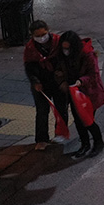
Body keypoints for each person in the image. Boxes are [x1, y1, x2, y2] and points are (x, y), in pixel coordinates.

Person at [55, 30, 104, 159]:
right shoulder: (62, 55)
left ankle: (98, 142)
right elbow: (58, 69)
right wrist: (61, 80)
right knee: (78, 121)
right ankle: (85, 144)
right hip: (73, 93)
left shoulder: (87, 55)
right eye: (63, 48)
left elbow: (93, 75)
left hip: (88, 93)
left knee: (87, 120)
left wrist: (80, 82)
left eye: (68, 48)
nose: (65, 50)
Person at [24, 20, 65, 149]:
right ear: (32, 36)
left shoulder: (58, 42)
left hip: (58, 83)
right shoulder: (30, 48)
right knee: (42, 111)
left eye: (44, 34)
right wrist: (35, 82)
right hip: (41, 84)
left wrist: (62, 75)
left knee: (61, 109)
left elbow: (65, 60)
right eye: (38, 36)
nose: (42, 38)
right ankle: (42, 139)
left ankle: (61, 134)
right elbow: (29, 68)